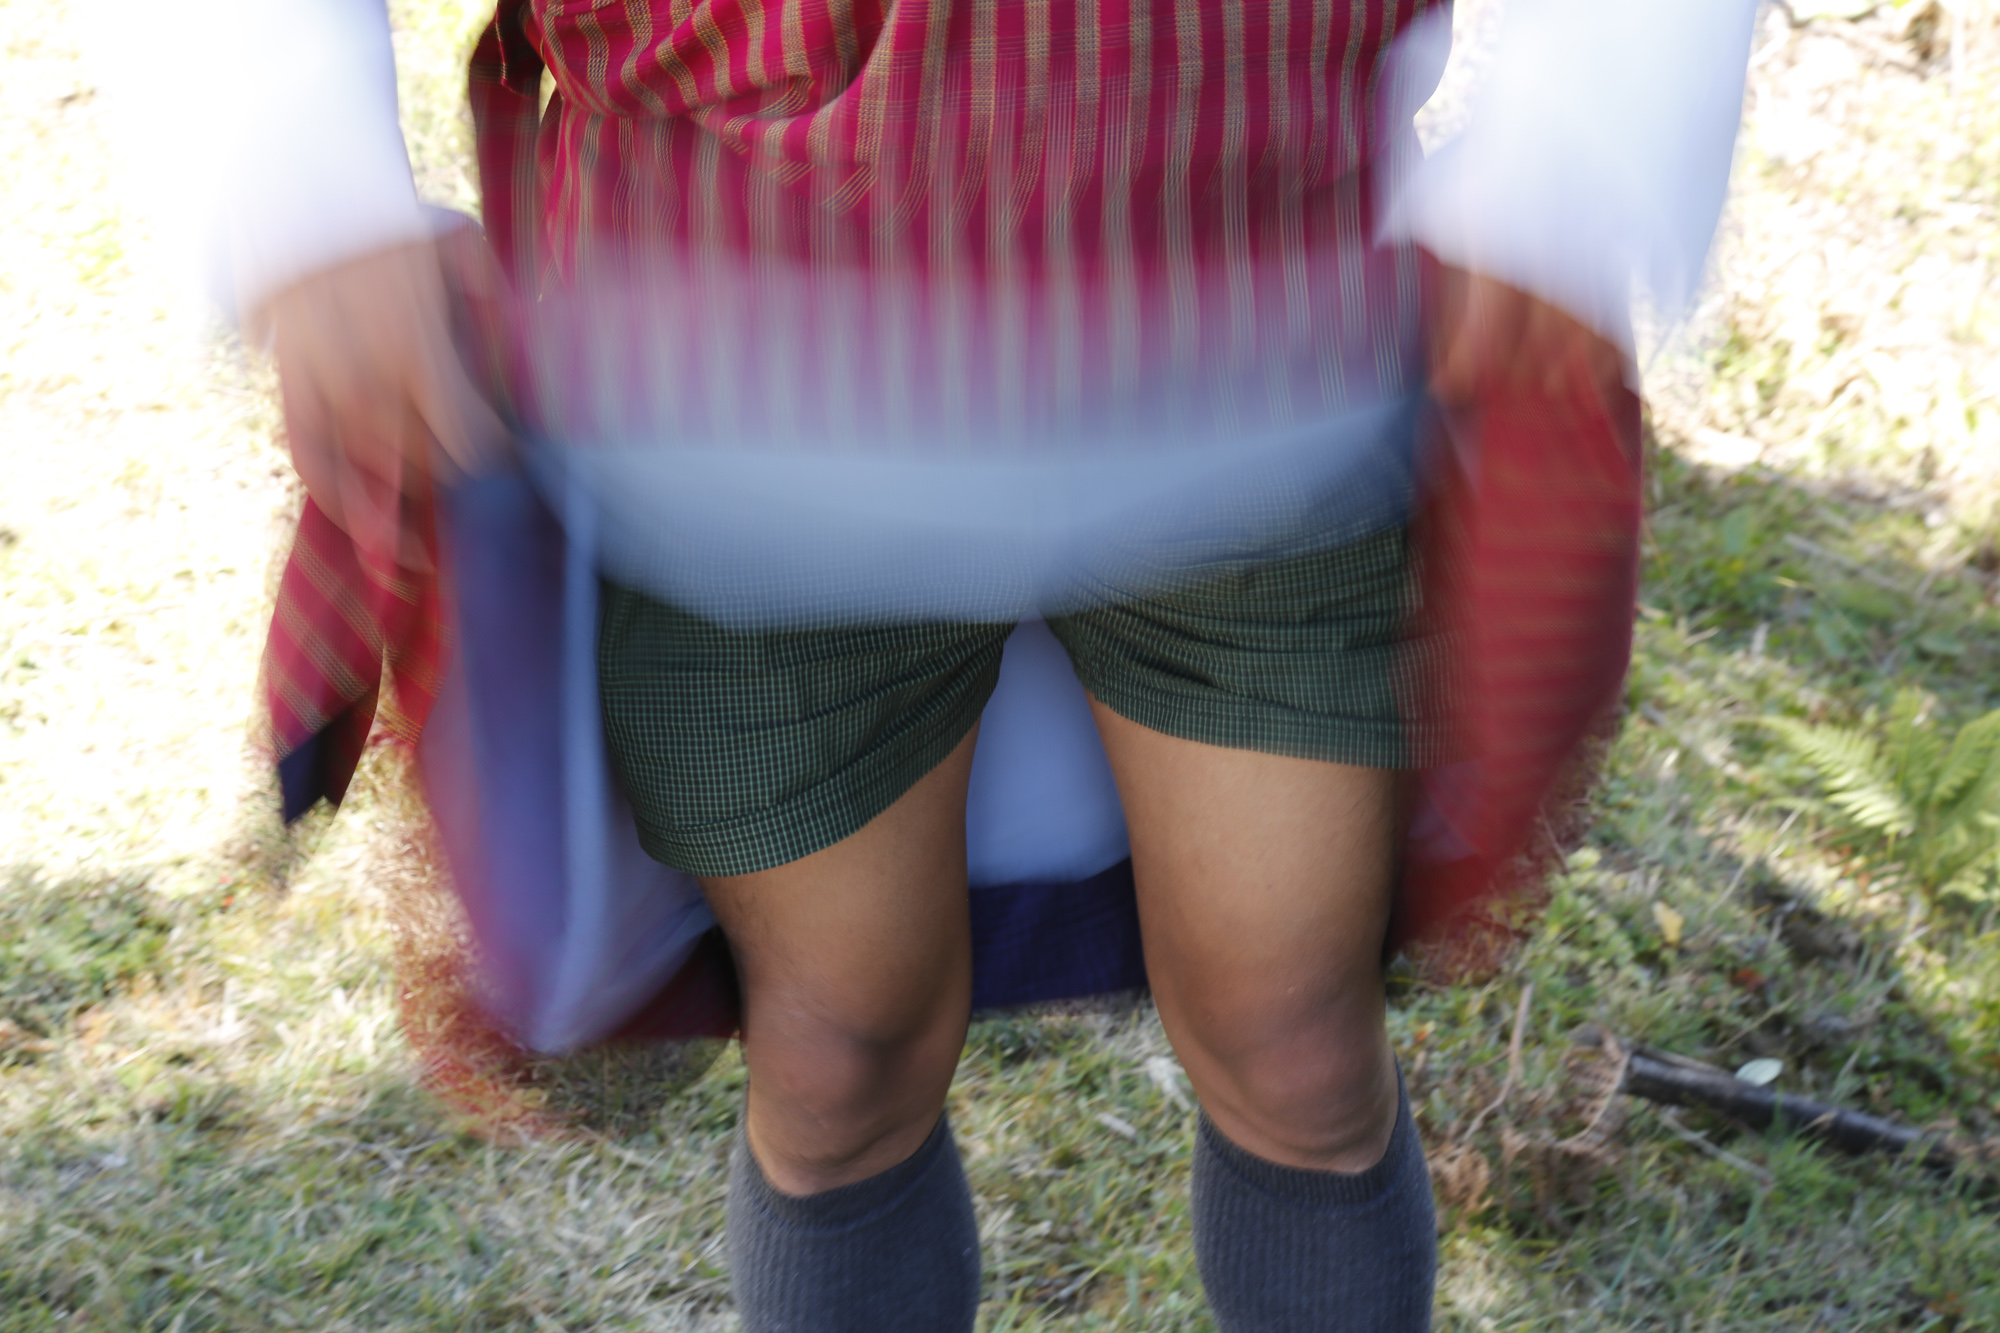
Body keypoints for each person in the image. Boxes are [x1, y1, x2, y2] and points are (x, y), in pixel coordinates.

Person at [183, 0, 1760, 1326]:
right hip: (731, 385)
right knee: (837, 1059)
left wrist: (1580, 145)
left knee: (1295, 1037)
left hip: (1262, 335)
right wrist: (307, 179)